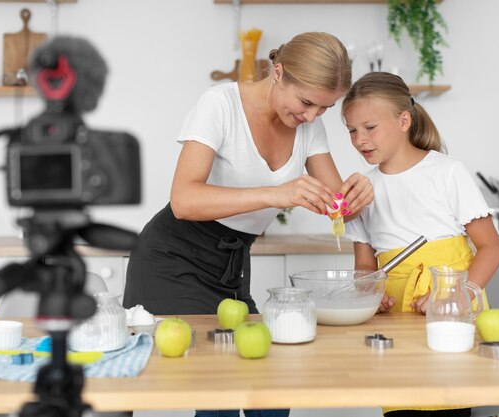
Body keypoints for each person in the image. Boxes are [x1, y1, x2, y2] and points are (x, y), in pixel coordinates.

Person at [123, 32, 373, 417]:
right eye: (306, 102)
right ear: (278, 72)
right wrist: (275, 194)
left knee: (269, 389)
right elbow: (184, 200)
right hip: (172, 258)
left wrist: (355, 196)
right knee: (219, 388)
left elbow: (335, 204)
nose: (310, 117)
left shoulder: (309, 127)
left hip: (232, 264)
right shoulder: (220, 105)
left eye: (324, 109)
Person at [342, 72, 499, 417]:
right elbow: (365, 266)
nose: (359, 140)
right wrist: (370, 292)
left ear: (404, 120)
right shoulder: (360, 190)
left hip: (451, 310)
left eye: (370, 127)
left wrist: (459, 294)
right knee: (402, 401)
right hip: (397, 315)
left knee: (449, 398)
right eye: (352, 131)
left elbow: (491, 248)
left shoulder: (447, 171)